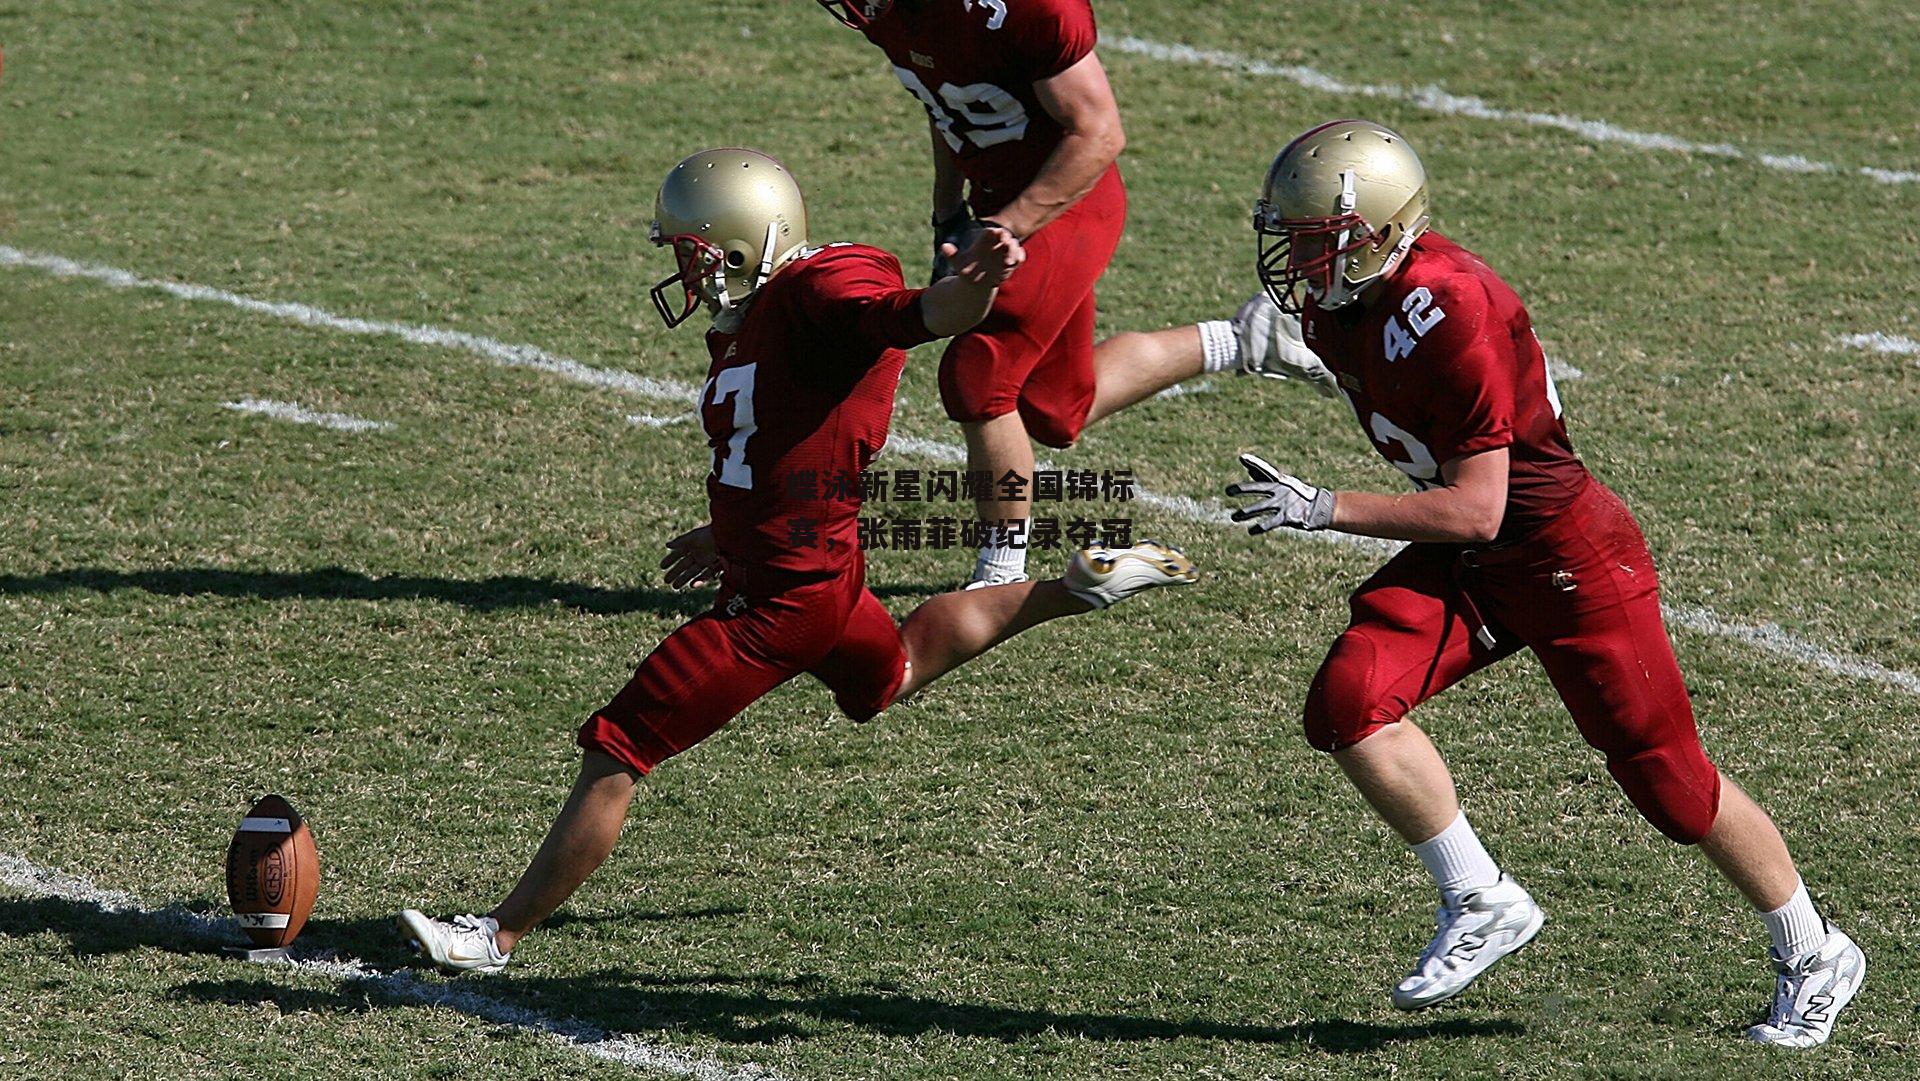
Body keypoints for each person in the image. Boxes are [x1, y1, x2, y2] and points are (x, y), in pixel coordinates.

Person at [398, 148, 1198, 972]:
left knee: (620, 744)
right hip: (821, 567)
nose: (684, 267)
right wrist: (732, 529)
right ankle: (1077, 588)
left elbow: (918, 314)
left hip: (777, 605)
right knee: (892, 674)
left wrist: (975, 287)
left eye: (694, 250)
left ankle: (494, 935)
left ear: (747, 243)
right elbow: (786, 434)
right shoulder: (764, 313)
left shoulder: (822, 291)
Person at [1223, 120, 1863, 1048]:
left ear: (1375, 232)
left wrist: (1324, 507)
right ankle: (1480, 896)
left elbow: (1478, 507)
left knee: (1670, 783)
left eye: (1315, 236)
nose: (1296, 255)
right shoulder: (1337, 301)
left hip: (1561, 551)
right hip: (1482, 560)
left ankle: (1816, 949)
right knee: (1350, 699)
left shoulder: (1456, 307)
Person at [817, 0, 1326, 589]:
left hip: (1069, 205)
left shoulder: (1025, 9)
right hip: (998, 205)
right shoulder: (893, 15)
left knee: (977, 376)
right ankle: (1248, 339)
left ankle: (1001, 573)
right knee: (1058, 409)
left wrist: (1008, 224)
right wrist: (949, 210)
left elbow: (1100, 132)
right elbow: (948, 106)